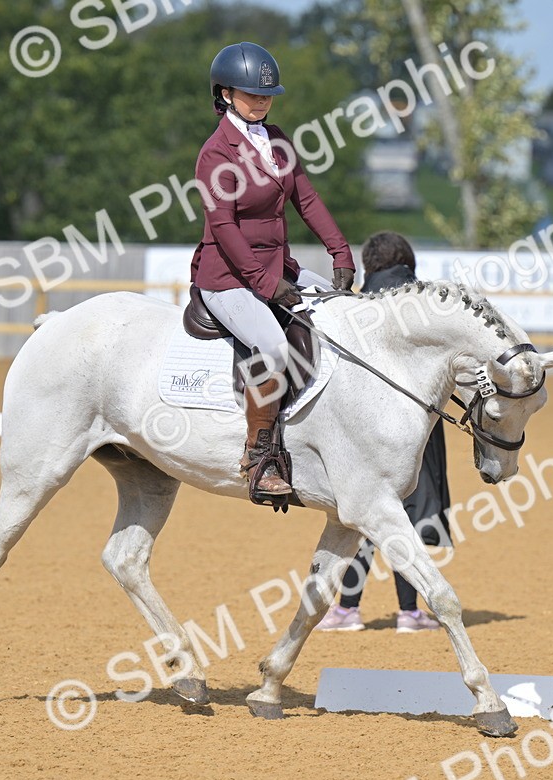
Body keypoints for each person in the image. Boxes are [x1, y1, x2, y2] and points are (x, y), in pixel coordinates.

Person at [191, 42, 356, 496]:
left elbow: (307, 199)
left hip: (277, 266)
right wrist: (267, 284)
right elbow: (222, 226)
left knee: (344, 313)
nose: (262, 102)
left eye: (267, 95)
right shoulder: (214, 153)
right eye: (251, 94)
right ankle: (260, 455)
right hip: (226, 277)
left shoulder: (277, 139)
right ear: (225, 94)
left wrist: (340, 252)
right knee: (272, 345)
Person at [315, 232, 448, 634]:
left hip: (363, 426)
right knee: (409, 519)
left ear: (369, 265)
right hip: (414, 426)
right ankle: (410, 613)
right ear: (407, 262)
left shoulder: (357, 304)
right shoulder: (424, 303)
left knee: (364, 516)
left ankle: (346, 609)